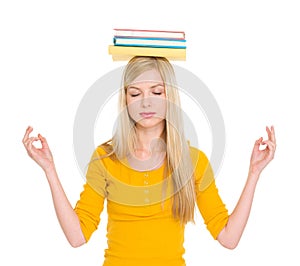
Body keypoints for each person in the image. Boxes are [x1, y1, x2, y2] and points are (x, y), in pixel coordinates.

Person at [22, 56, 276, 266]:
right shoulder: (105, 158)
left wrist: (254, 173)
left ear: (170, 97)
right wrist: (49, 170)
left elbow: (228, 237)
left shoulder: (192, 161)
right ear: (126, 100)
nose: (146, 101)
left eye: (156, 91)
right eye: (135, 93)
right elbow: (77, 236)